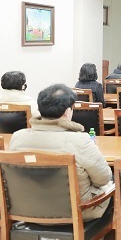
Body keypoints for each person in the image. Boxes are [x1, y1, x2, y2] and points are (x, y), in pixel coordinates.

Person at [9, 84, 113, 221]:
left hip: (26, 211)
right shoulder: (80, 140)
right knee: (111, 185)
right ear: (67, 112)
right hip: (75, 214)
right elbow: (103, 178)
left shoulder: (17, 137)